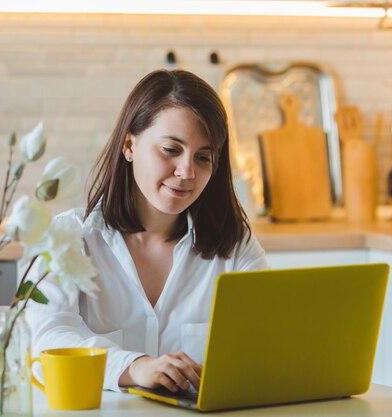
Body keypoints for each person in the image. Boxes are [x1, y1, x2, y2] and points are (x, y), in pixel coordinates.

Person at [25, 69, 269, 394]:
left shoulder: (235, 246)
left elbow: (265, 343)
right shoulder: (69, 238)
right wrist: (135, 367)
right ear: (129, 145)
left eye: (203, 157)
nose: (186, 172)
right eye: (170, 149)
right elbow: (48, 338)